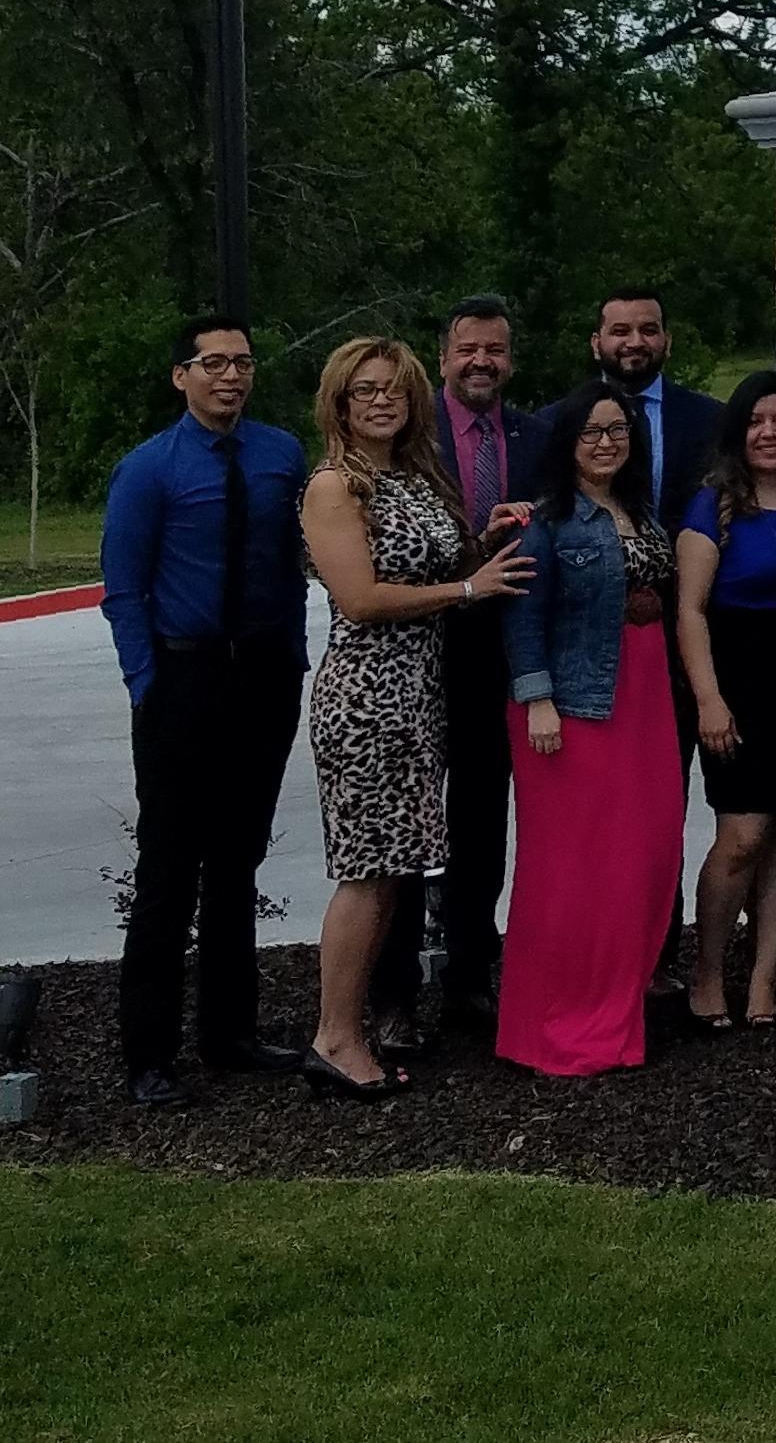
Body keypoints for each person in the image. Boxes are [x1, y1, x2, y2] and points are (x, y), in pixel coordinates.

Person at [300, 338, 534, 1098]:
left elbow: (439, 566)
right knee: (366, 874)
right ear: (339, 403)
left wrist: (482, 545)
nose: (381, 402)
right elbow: (362, 598)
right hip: (366, 700)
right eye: (364, 390)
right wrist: (468, 592)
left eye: (393, 390)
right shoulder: (336, 486)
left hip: (417, 701)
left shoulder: (411, 476)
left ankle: (349, 1032)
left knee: (393, 872)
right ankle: (335, 1038)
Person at [99, 314, 310, 1107]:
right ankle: (149, 1056)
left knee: (237, 862)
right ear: (181, 376)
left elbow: (292, 563)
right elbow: (124, 588)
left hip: (263, 677)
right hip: (182, 681)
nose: (231, 376)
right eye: (214, 363)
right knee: (168, 869)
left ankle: (230, 1034)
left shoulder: (281, 455)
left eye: (243, 362)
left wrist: (290, 656)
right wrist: (146, 683)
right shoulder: (148, 470)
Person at [372, 295, 548, 1050]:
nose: (482, 362)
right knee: (408, 825)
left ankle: (472, 976)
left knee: (480, 820)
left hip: (498, 655)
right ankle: (393, 995)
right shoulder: (408, 435)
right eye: (469, 349)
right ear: (442, 358)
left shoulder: (537, 437)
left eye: (495, 350)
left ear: (511, 359)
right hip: (413, 651)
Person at [497, 379, 686, 1075]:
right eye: (592, 432)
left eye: (618, 430)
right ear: (568, 442)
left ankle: (617, 1008)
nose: (606, 443)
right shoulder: (545, 521)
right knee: (573, 870)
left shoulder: (641, 511)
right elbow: (522, 616)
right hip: (573, 706)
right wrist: (538, 699)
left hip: (645, 698)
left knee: (644, 856)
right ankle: (557, 1026)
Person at [571, 286, 723, 988]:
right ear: (596, 342)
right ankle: (595, 955)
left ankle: (656, 956)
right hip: (589, 653)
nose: (635, 342)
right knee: (597, 812)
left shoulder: (711, 422)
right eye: (620, 330)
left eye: (648, 329)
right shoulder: (561, 422)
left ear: (666, 338)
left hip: (684, 640)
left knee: (664, 805)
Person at [675, 370, 776, 1028]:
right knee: (743, 836)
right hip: (739, 685)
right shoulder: (711, 506)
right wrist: (708, 699)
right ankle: (709, 974)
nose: (769, 432)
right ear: (737, 432)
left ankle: (764, 980)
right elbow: (689, 612)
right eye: (756, 421)